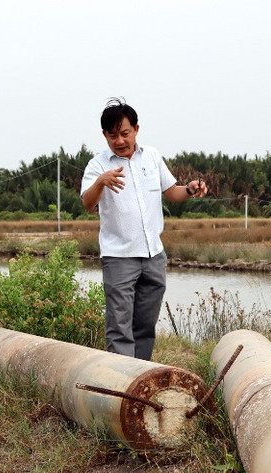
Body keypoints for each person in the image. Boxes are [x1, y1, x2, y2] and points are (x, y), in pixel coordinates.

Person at [80, 98, 207, 361]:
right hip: (119, 257)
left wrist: (189, 189)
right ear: (104, 135)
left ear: (136, 129)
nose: (119, 141)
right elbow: (87, 204)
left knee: (145, 326)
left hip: (154, 256)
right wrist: (101, 182)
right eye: (113, 135)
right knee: (119, 327)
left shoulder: (151, 156)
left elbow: (172, 193)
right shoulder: (98, 165)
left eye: (125, 133)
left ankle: (141, 376)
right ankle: (121, 380)